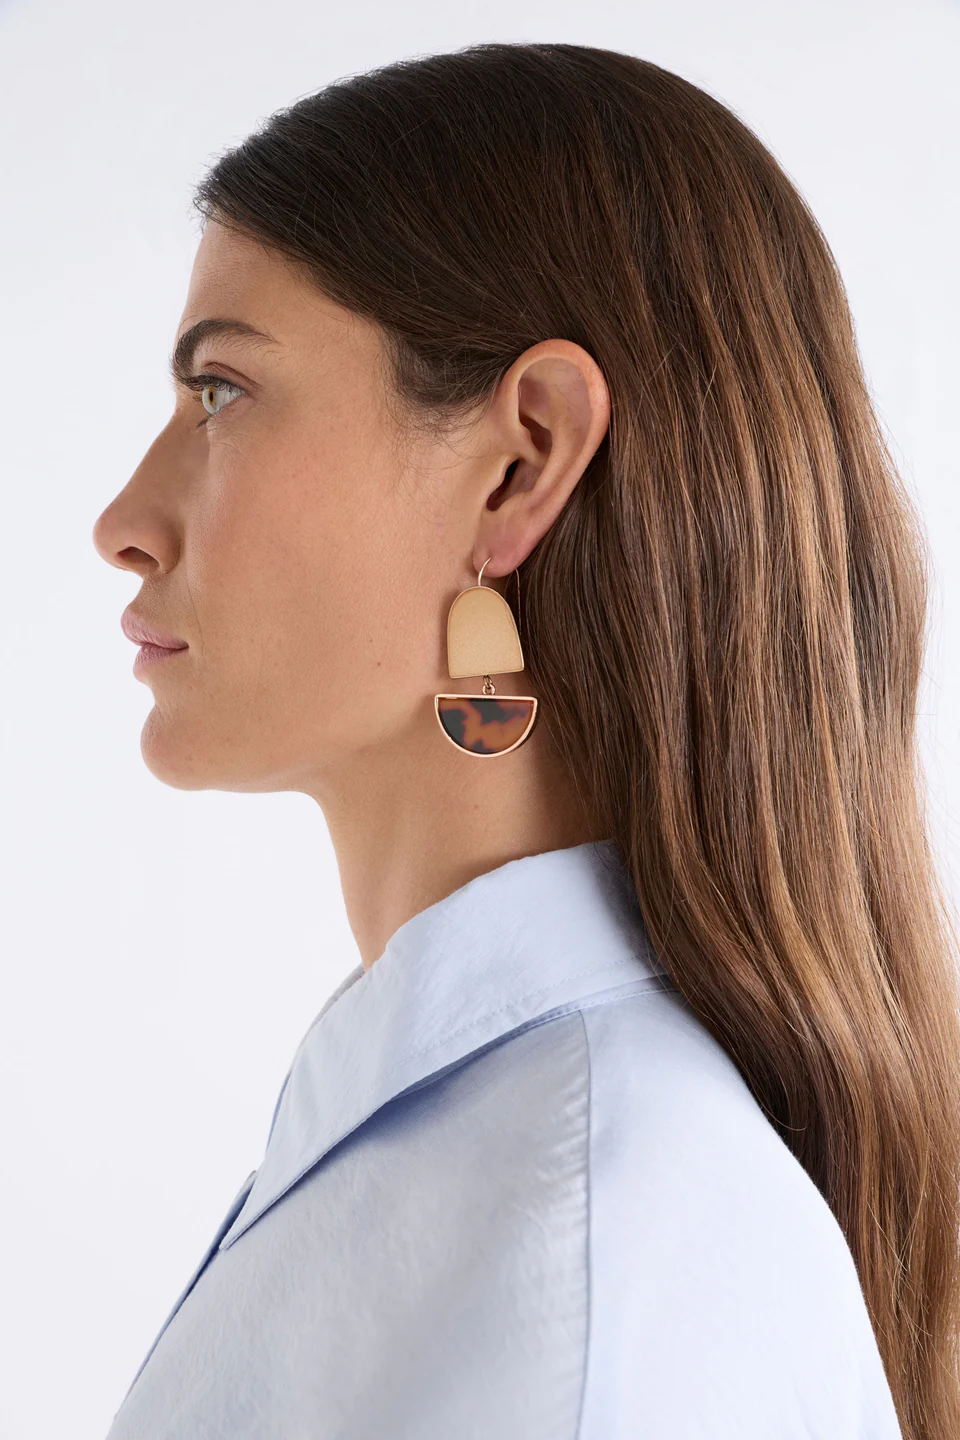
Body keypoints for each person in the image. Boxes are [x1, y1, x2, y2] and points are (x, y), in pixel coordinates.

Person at [91, 41, 960, 1440]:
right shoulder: (507, 1162)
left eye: (222, 392)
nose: (124, 523)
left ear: (523, 462)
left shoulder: (602, 1262)